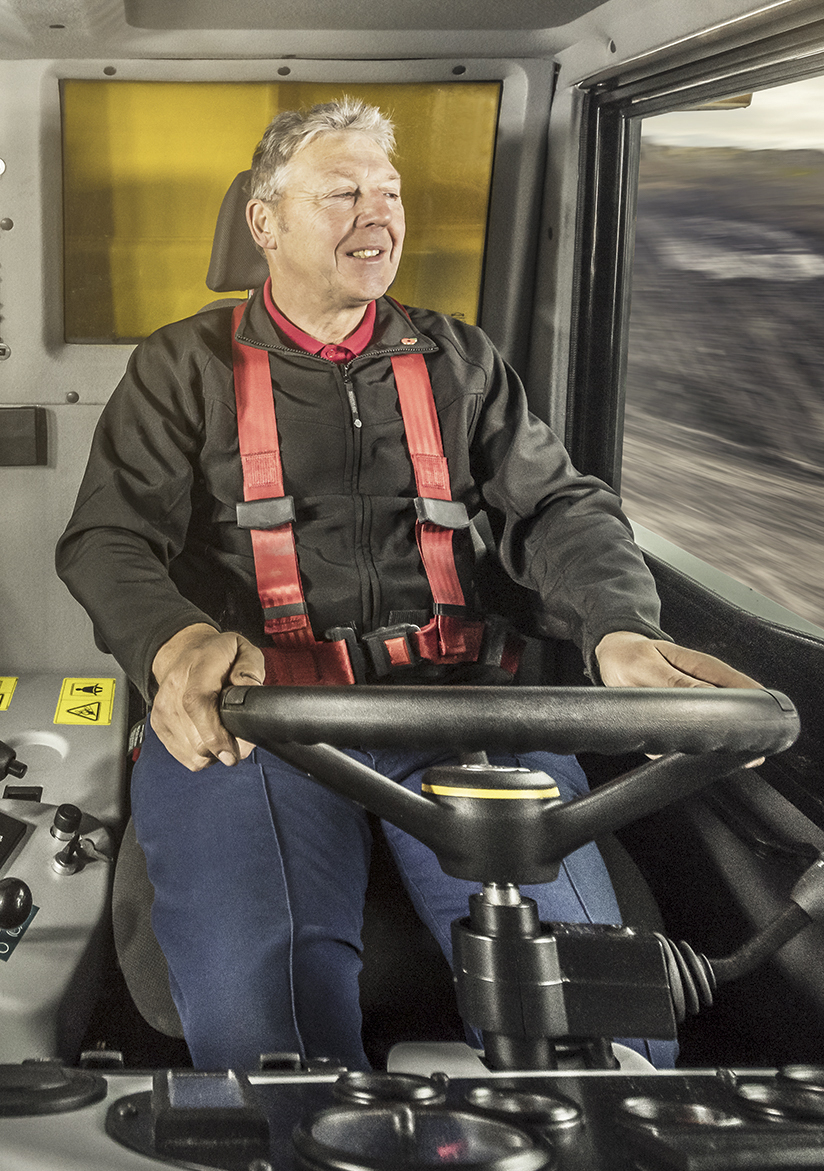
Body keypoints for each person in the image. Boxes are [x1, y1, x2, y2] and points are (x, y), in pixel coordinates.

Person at [56, 97, 759, 1072]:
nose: (377, 215)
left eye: (388, 194)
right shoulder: (182, 368)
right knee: (266, 1032)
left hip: (456, 710)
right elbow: (108, 540)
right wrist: (177, 646)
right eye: (342, 193)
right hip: (262, 720)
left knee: (597, 1031)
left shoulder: (458, 360)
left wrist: (619, 631)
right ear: (264, 222)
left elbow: (557, 508)